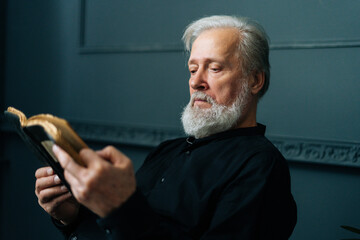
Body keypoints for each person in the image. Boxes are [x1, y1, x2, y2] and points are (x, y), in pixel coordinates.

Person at [35, 15, 297, 239]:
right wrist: (72, 216)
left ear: (255, 80)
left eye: (214, 68)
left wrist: (120, 209)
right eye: (192, 69)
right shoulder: (165, 151)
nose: (196, 82)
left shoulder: (260, 166)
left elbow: (128, 224)